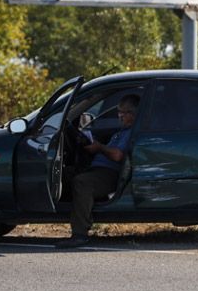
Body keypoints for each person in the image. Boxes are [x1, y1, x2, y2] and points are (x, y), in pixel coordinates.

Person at [55, 94, 139, 249]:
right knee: (61, 174)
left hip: (109, 173)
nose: (119, 116)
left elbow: (117, 155)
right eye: (119, 112)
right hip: (97, 169)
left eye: (124, 112)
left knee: (82, 183)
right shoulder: (119, 132)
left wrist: (99, 147)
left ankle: (80, 234)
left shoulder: (130, 133)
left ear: (134, 114)